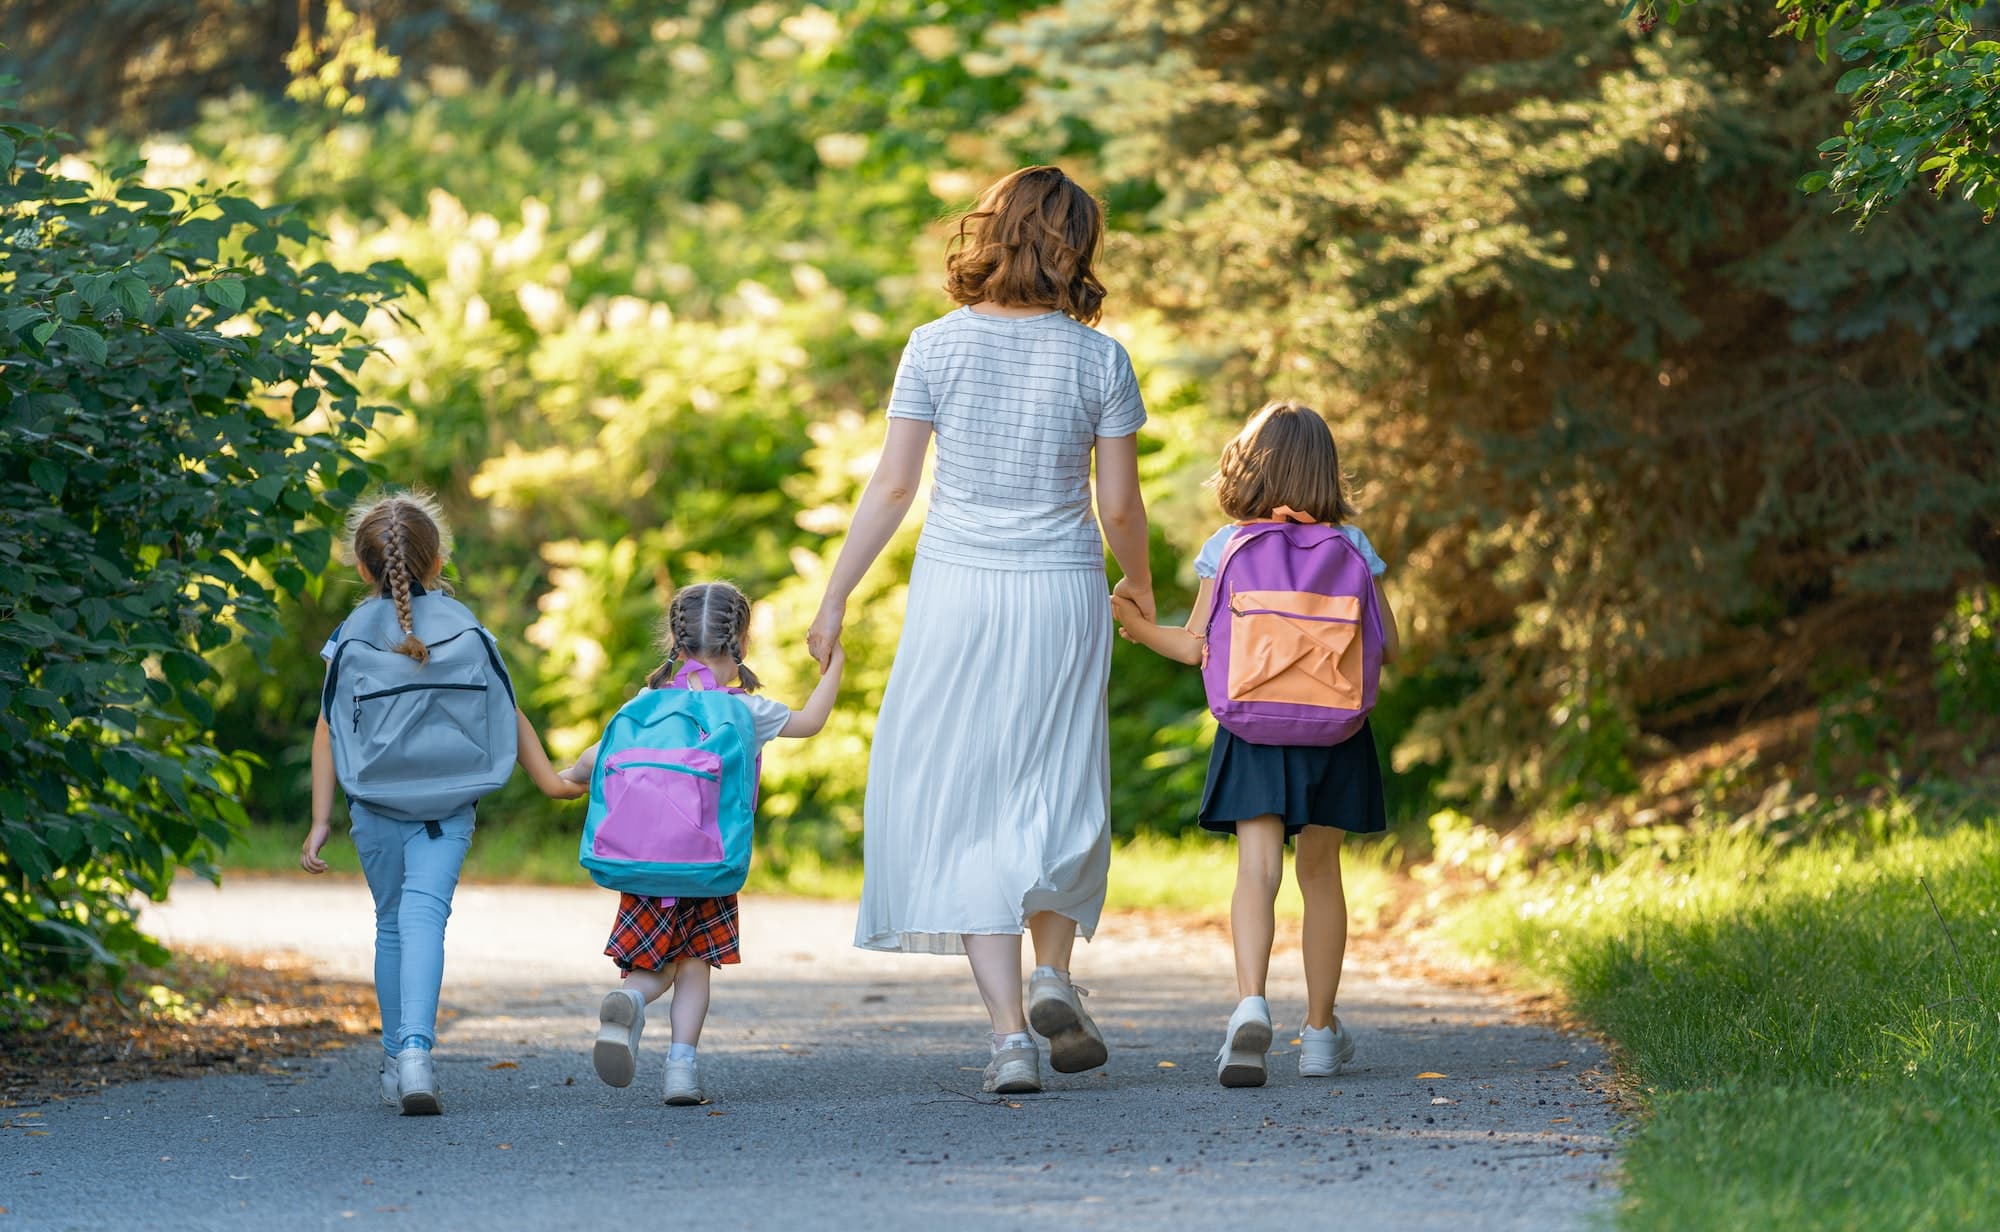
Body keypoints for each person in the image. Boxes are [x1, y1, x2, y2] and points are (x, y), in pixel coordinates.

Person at [805, 165, 1153, 1095]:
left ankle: (1009, 1039)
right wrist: (1143, 589)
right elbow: (1118, 506)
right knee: (1060, 779)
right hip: (1060, 591)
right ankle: (1053, 972)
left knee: (968, 800)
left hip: (956, 589)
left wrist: (837, 594)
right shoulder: (1100, 359)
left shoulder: (934, 346)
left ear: (987, 233)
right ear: (1078, 246)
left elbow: (892, 485)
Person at [1110, 403, 1400, 1087]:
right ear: (1326, 472)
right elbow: (1386, 648)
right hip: (1335, 730)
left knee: (1257, 872)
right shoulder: (1352, 548)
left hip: (1253, 728)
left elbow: (1193, 645)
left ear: (1248, 465)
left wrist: (1132, 622)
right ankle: (1322, 1034)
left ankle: (1250, 1004)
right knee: (1321, 876)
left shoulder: (1230, 545)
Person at [301, 492, 584, 1115]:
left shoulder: (348, 636)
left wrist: (321, 820)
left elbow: (328, 730)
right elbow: (506, 713)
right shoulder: (465, 627)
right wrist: (552, 782)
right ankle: (416, 1055)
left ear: (360, 564)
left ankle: (394, 1057)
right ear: (436, 563)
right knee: (427, 920)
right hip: (447, 807)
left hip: (374, 804)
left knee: (391, 923)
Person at [564, 581, 845, 1106]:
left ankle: (630, 998)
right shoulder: (746, 712)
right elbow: (811, 722)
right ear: (741, 636)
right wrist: (835, 665)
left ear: (674, 636)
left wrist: (565, 777)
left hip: (642, 863)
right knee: (694, 968)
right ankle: (681, 1070)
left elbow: (594, 759)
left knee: (650, 967)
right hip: (708, 865)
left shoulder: (646, 703)